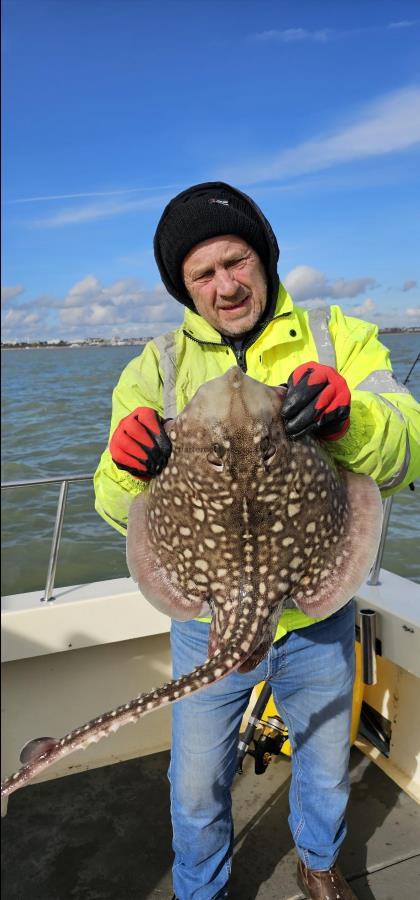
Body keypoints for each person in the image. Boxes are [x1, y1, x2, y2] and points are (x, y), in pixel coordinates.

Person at [94, 182, 420, 900]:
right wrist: (124, 468)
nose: (225, 284)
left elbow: (408, 448)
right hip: (205, 621)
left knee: (328, 763)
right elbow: (117, 508)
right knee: (195, 780)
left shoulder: (342, 335)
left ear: (265, 256)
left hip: (317, 614)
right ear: (184, 288)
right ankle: (200, 889)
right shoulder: (155, 367)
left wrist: (352, 419)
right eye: (202, 274)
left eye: (236, 261)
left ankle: (319, 861)